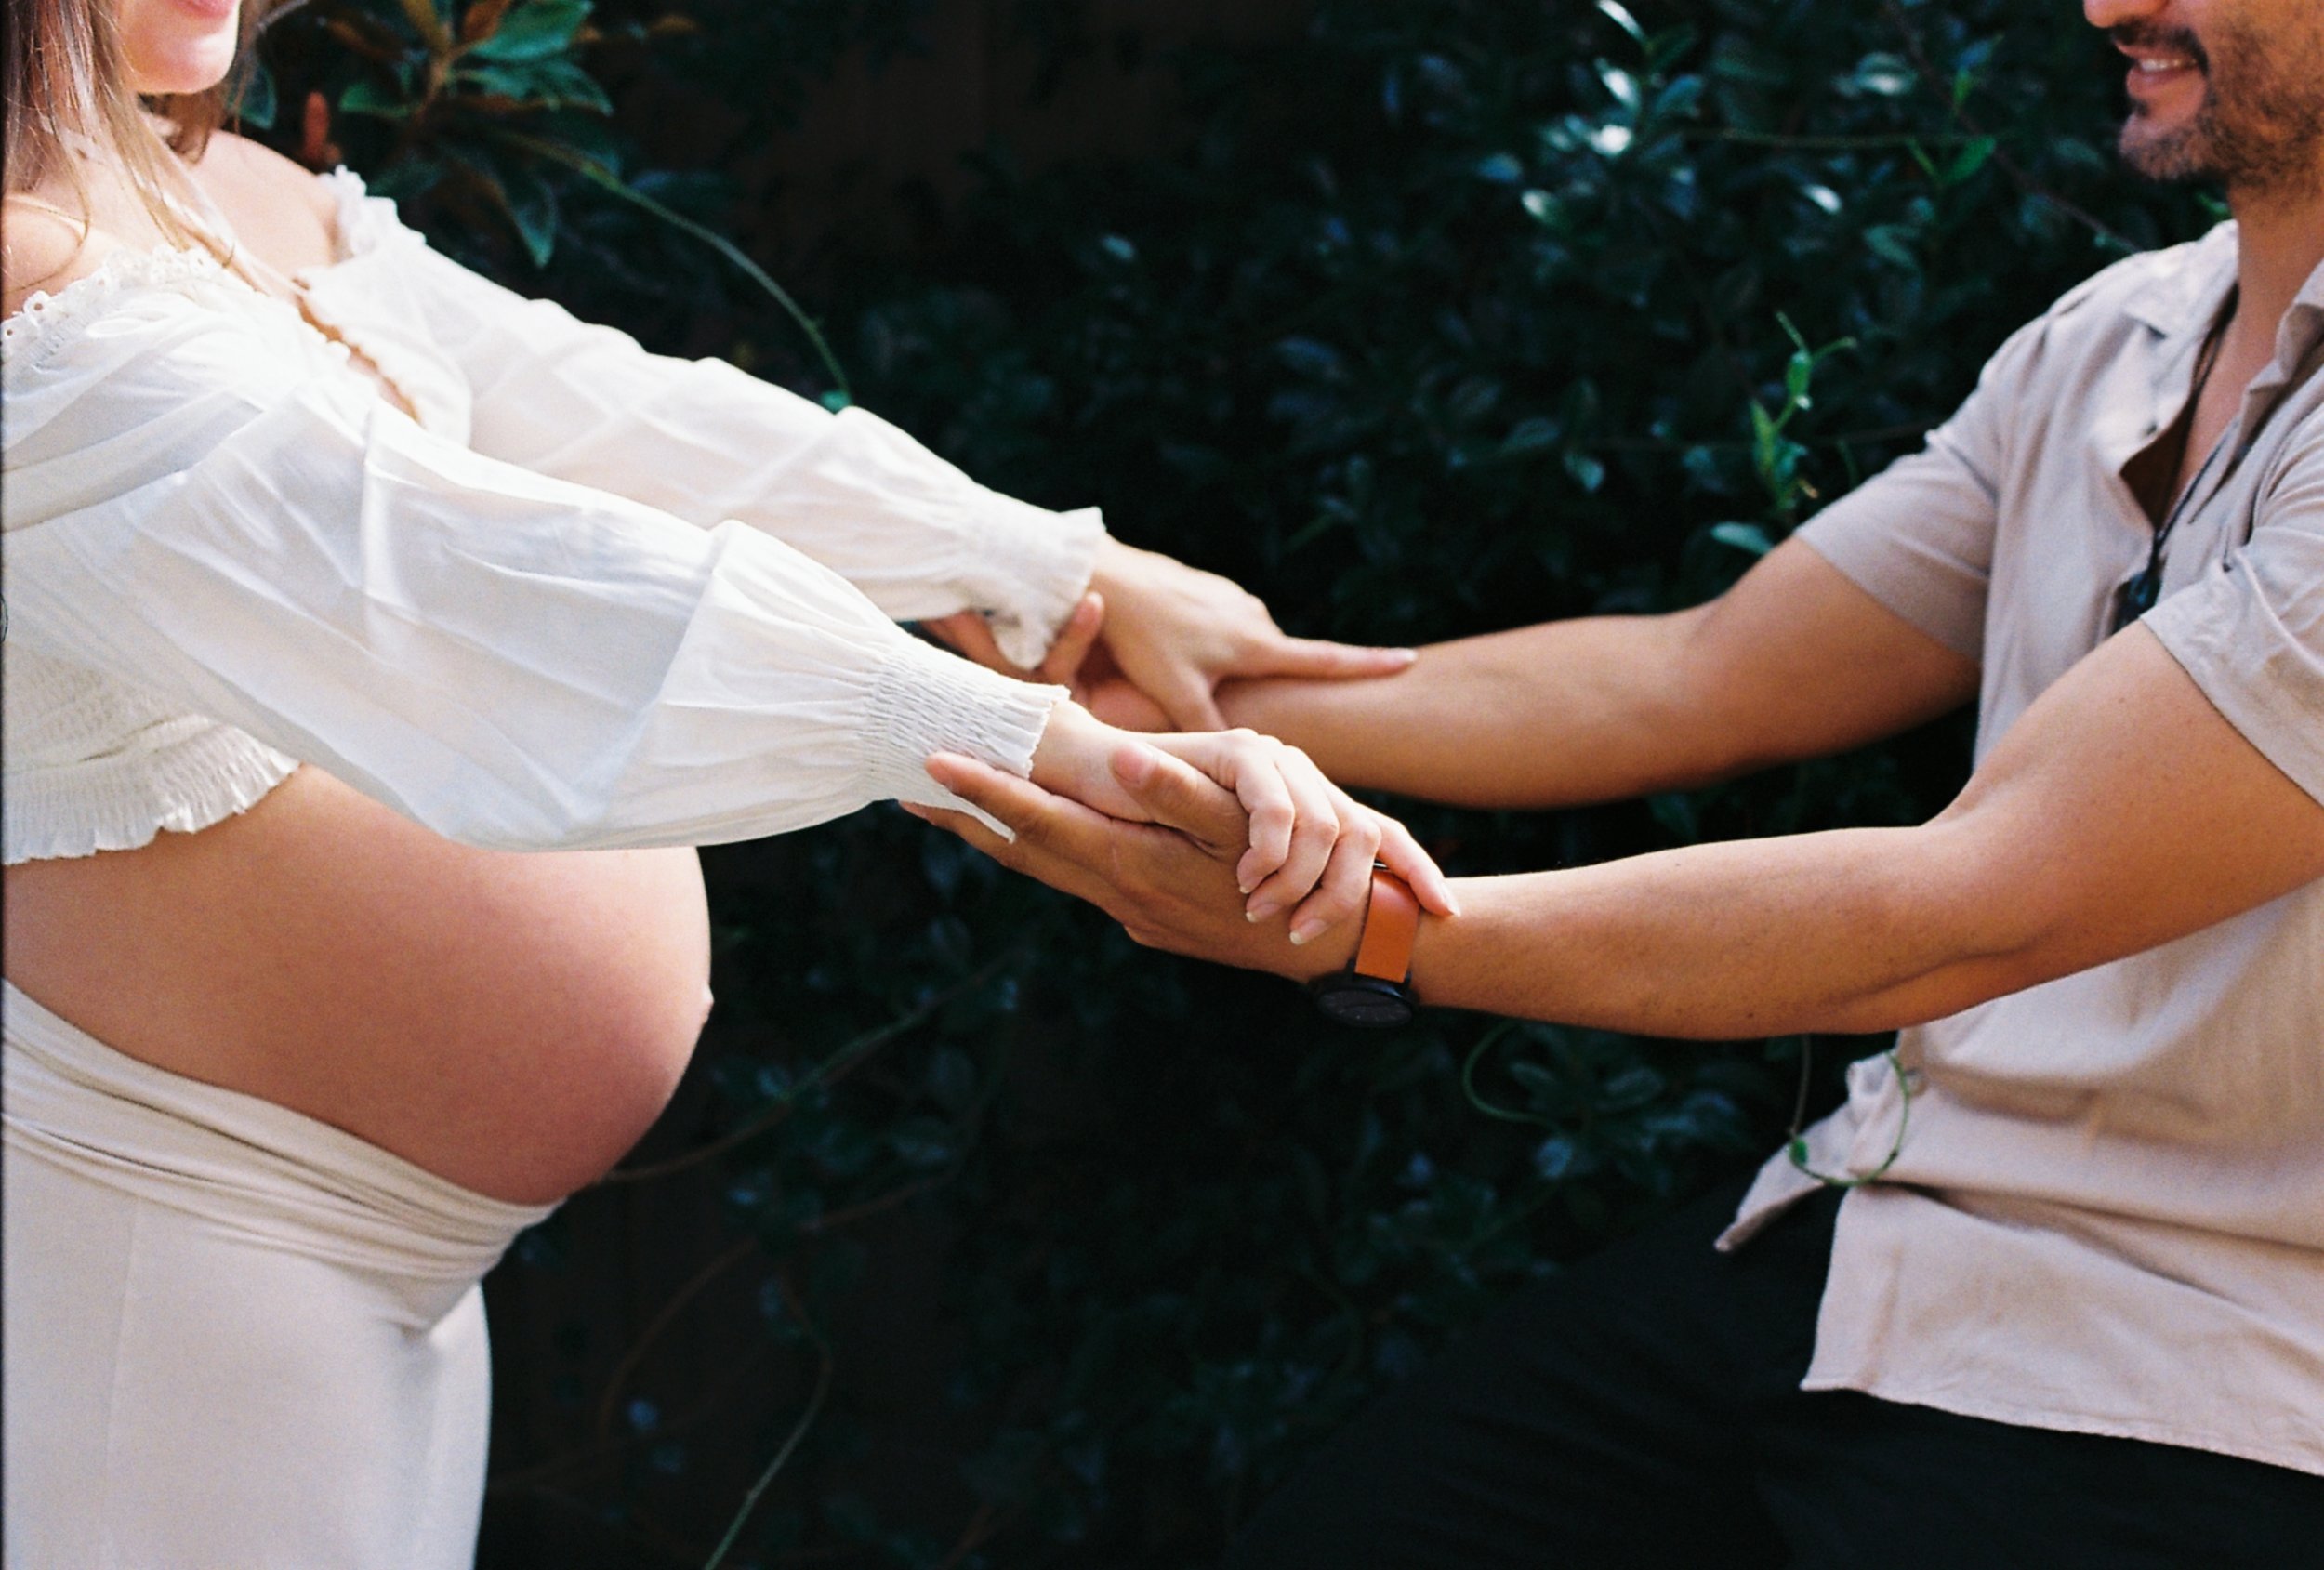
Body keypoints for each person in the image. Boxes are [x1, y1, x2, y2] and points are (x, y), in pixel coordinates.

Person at [0, 0, 1462, 1563]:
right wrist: (1033, 742)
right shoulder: (20, 287)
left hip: (379, 1241)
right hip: (167, 1220)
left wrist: (1041, 561)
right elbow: (468, 580)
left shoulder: (223, 189)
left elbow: (604, 410)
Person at [911, 0, 2324, 1563]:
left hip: (2199, 1373)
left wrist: (1366, 928)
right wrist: (1167, 699)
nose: (2107, 4)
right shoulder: (2120, 337)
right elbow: (1699, 673)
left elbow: (1968, 905)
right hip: (1877, 1246)